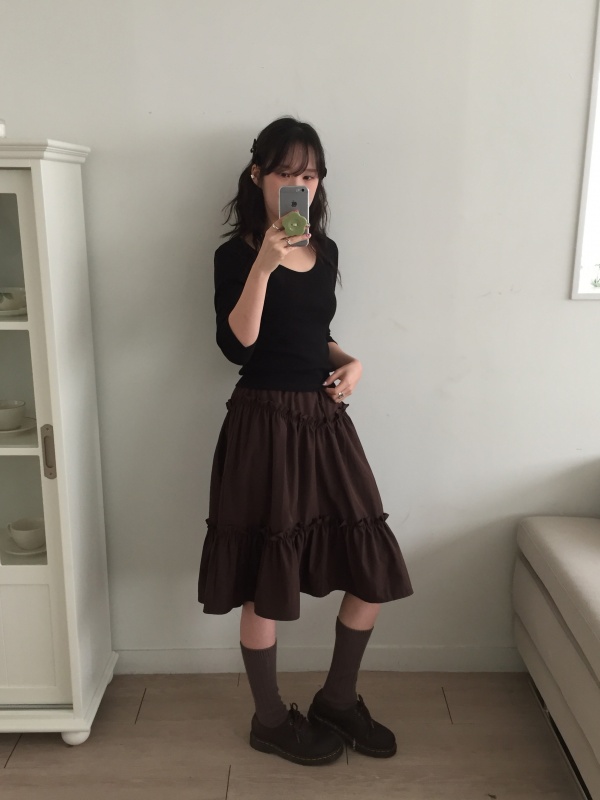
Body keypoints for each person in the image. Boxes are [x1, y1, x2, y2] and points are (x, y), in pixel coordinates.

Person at [198, 117, 413, 767]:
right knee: (266, 576)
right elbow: (238, 344)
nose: (299, 185)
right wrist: (264, 265)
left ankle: (337, 700)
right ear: (258, 175)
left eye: (310, 175)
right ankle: (269, 720)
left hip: (323, 418)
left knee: (371, 565)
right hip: (263, 422)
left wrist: (352, 361)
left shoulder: (328, 251)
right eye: (286, 173)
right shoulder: (235, 255)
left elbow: (313, 333)